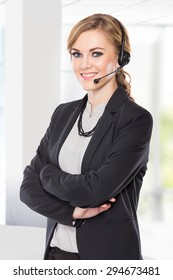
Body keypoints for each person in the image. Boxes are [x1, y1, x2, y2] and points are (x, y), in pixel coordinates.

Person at [20, 13, 153, 260]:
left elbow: (95, 191)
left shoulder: (135, 120)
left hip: (106, 258)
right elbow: (27, 189)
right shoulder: (63, 113)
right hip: (56, 256)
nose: (84, 65)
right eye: (76, 54)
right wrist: (72, 211)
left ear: (121, 58)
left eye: (96, 53)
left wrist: (47, 175)